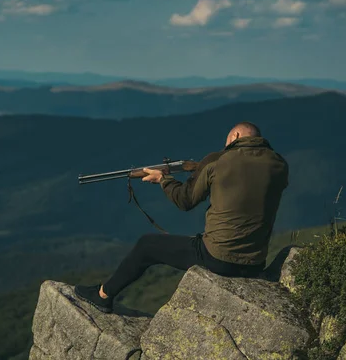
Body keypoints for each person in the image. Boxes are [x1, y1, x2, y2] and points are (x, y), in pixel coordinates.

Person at [75, 122, 289, 313]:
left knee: (147, 245)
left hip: (218, 258)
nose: (225, 148)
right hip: (255, 262)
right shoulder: (279, 165)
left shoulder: (217, 161)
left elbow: (184, 201)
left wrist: (164, 179)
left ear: (235, 137)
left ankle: (103, 295)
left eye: (227, 143)